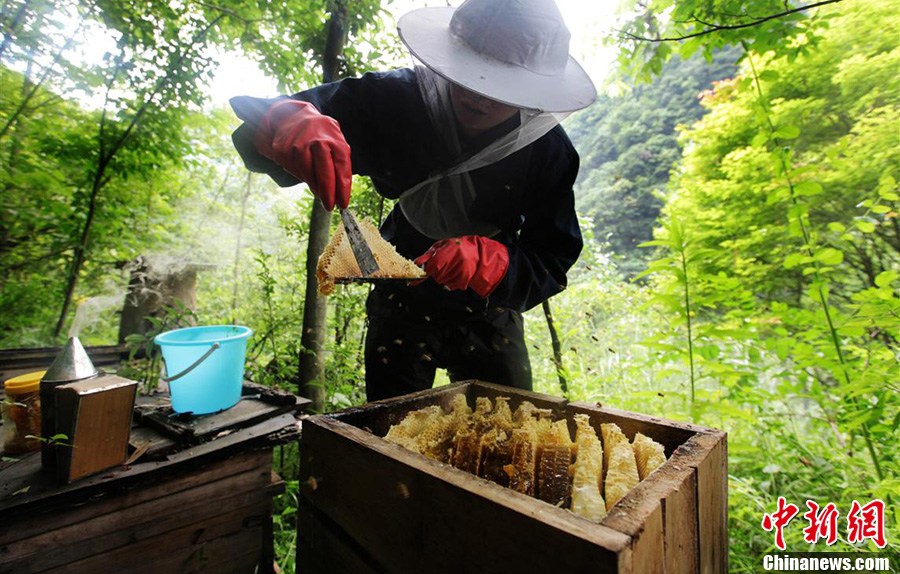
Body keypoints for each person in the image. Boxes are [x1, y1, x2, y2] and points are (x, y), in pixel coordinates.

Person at [230, 0, 596, 401]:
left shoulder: (547, 150)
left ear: (532, 90)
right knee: (390, 434)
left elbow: (552, 256)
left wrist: (497, 265)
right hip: (399, 291)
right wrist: (282, 122)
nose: (479, 95)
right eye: (471, 74)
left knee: (509, 434)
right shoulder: (392, 99)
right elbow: (258, 128)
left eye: (499, 85)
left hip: (488, 311)